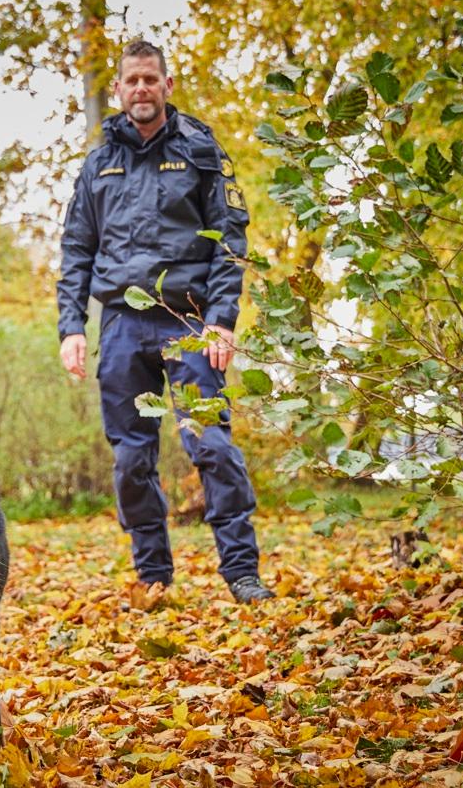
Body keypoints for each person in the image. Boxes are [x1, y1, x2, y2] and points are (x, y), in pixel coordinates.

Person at [56, 40, 273, 604]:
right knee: (131, 458)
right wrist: (72, 326)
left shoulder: (202, 150)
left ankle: (243, 573)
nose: (142, 89)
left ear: (167, 86)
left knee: (212, 445)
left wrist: (223, 321)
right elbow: (77, 247)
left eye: (151, 79)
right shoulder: (98, 162)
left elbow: (229, 240)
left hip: (191, 320)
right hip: (123, 326)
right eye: (132, 81)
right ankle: (154, 576)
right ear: (122, 89)